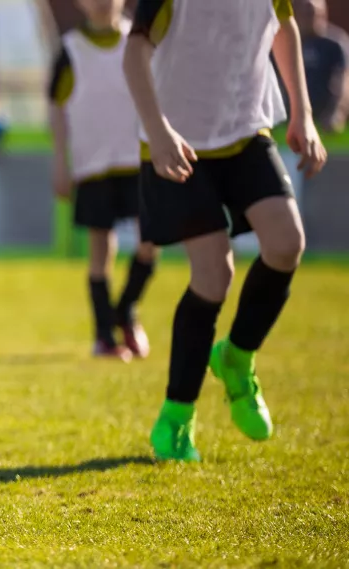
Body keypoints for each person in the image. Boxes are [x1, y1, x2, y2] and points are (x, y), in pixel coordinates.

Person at [124, 0, 326, 461]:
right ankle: (176, 419)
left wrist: (303, 113)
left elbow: (284, 27)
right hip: (174, 142)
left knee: (286, 243)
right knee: (214, 275)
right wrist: (156, 131)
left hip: (244, 131)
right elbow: (134, 54)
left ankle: (236, 356)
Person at [48, 0, 157, 361]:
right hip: (92, 165)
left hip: (139, 159)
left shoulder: (140, 41)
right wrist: (60, 162)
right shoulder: (70, 49)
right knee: (101, 250)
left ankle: (124, 311)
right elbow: (57, 107)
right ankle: (104, 338)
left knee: (152, 240)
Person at [294, 0, 348, 131]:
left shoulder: (335, 44)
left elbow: (343, 80)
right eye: (306, 13)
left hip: (326, 124)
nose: (311, 18)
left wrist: (337, 112)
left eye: (313, 13)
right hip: (291, 122)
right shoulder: (287, 44)